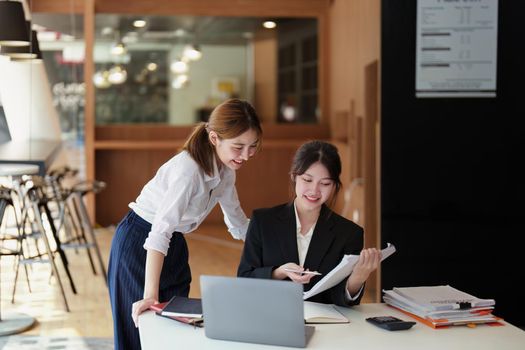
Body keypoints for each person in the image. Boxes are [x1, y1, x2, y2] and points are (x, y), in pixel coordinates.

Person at [108, 98, 262, 350]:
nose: (246, 155)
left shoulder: (226, 173)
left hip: (174, 243)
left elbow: (239, 225)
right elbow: (159, 231)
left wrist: (281, 248)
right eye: (238, 147)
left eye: (253, 146)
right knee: (138, 335)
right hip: (139, 243)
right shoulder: (188, 170)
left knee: (175, 331)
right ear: (214, 139)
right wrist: (150, 295)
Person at [237, 140, 380, 306]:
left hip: (325, 326)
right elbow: (244, 279)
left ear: (335, 185)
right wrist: (279, 272)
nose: (314, 190)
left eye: (325, 183)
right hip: (270, 316)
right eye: (307, 180)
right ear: (294, 177)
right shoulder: (263, 222)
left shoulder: (349, 233)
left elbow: (340, 300)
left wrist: (358, 278)